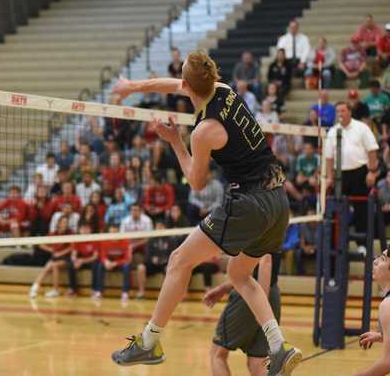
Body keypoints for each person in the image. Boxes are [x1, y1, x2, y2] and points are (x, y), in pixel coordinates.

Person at [109, 51, 300, 373]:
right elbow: (173, 85)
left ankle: (148, 342)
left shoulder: (203, 131)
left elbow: (196, 184)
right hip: (279, 201)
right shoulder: (224, 88)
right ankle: (279, 345)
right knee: (238, 274)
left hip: (249, 202)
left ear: (188, 84)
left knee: (178, 260)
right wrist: (132, 86)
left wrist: (175, 141)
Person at [203, 254, 281, 376]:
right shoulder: (278, 234)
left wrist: (261, 306)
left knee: (217, 353)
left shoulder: (258, 234)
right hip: (272, 292)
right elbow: (248, 271)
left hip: (252, 294)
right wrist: (223, 288)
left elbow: (266, 261)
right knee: (257, 360)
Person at [325, 102, 379, 253]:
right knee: (339, 207)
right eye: (338, 111)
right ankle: (341, 242)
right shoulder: (333, 132)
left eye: (343, 110)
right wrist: (330, 177)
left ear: (349, 112)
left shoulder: (361, 128)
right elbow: (329, 157)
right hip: (340, 174)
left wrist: (371, 171)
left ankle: (362, 244)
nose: (340, 113)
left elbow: (372, 149)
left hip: (359, 172)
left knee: (361, 208)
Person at [337, 249, 390, 376]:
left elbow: (388, 362)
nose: (375, 261)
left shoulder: (387, 305)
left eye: (382, 259)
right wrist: (384, 336)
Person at [29, 215, 73, 297]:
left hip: (65, 258)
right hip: (55, 257)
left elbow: (72, 247)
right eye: (63, 223)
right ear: (59, 224)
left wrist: (61, 253)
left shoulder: (70, 233)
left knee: (55, 265)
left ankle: (55, 290)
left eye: (66, 223)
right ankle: (34, 289)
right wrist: (52, 250)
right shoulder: (54, 234)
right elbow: (42, 245)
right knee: (47, 268)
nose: (65, 225)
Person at [135, 220, 180, 299]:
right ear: (155, 228)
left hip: (166, 262)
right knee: (141, 267)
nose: (159, 228)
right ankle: (141, 293)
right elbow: (149, 254)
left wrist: (166, 260)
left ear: (165, 228)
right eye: (157, 226)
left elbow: (174, 254)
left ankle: (169, 295)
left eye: (161, 226)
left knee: (169, 268)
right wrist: (152, 258)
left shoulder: (171, 239)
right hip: (154, 263)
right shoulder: (151, 239)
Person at [94, 224, 132, 301]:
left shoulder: (126, 242)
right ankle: (99, 291)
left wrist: (115, 263)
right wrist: (106, 261)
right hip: (109, 263)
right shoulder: (105, 241)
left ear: (119, 232)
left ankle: (125, 292)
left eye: (115, 231)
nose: (114, 234)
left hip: (120, 264)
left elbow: (128, 259)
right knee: (100, 265)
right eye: (112, 232)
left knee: (127, 266)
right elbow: (102, 256)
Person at [65, 221, 100, 297]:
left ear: (91, 230)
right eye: (83, 229)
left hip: (90, 261)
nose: (85, 231)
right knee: (70, 265)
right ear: (79, 230)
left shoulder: (95, 239)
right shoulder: (77, 239)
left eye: (87, 229)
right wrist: (75, 261)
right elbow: (73, 255)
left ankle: (95, 289)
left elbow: (95, 256)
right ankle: (73, 289)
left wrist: (82, 261)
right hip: (81, 261)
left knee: (96, 265)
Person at [294, 209, 318, 275]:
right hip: (306, 248)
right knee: (298, 252)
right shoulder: (303, 226)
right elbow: (302, 242)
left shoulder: (321, 225)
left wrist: (313, 248)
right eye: (308, 216)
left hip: (317, 248)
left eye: (312, 216)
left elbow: (323, 243)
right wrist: (305, 248)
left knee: (323, 252)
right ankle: (300, 274)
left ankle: (320, 274)